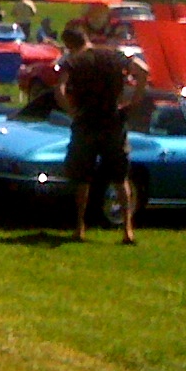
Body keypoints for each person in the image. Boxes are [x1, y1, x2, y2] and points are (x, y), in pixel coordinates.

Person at [55, 21, 149, 244]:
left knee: (82, 177)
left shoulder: (73, 61)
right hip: (113, 121)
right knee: (120, 177)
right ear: (86, 37)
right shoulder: (113, 55)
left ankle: (80, 227)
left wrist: (72, 111)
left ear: (69, 45)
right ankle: (127, 230)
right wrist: (134, 100)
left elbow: (59, 89)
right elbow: (143, 70)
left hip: (86, 123)